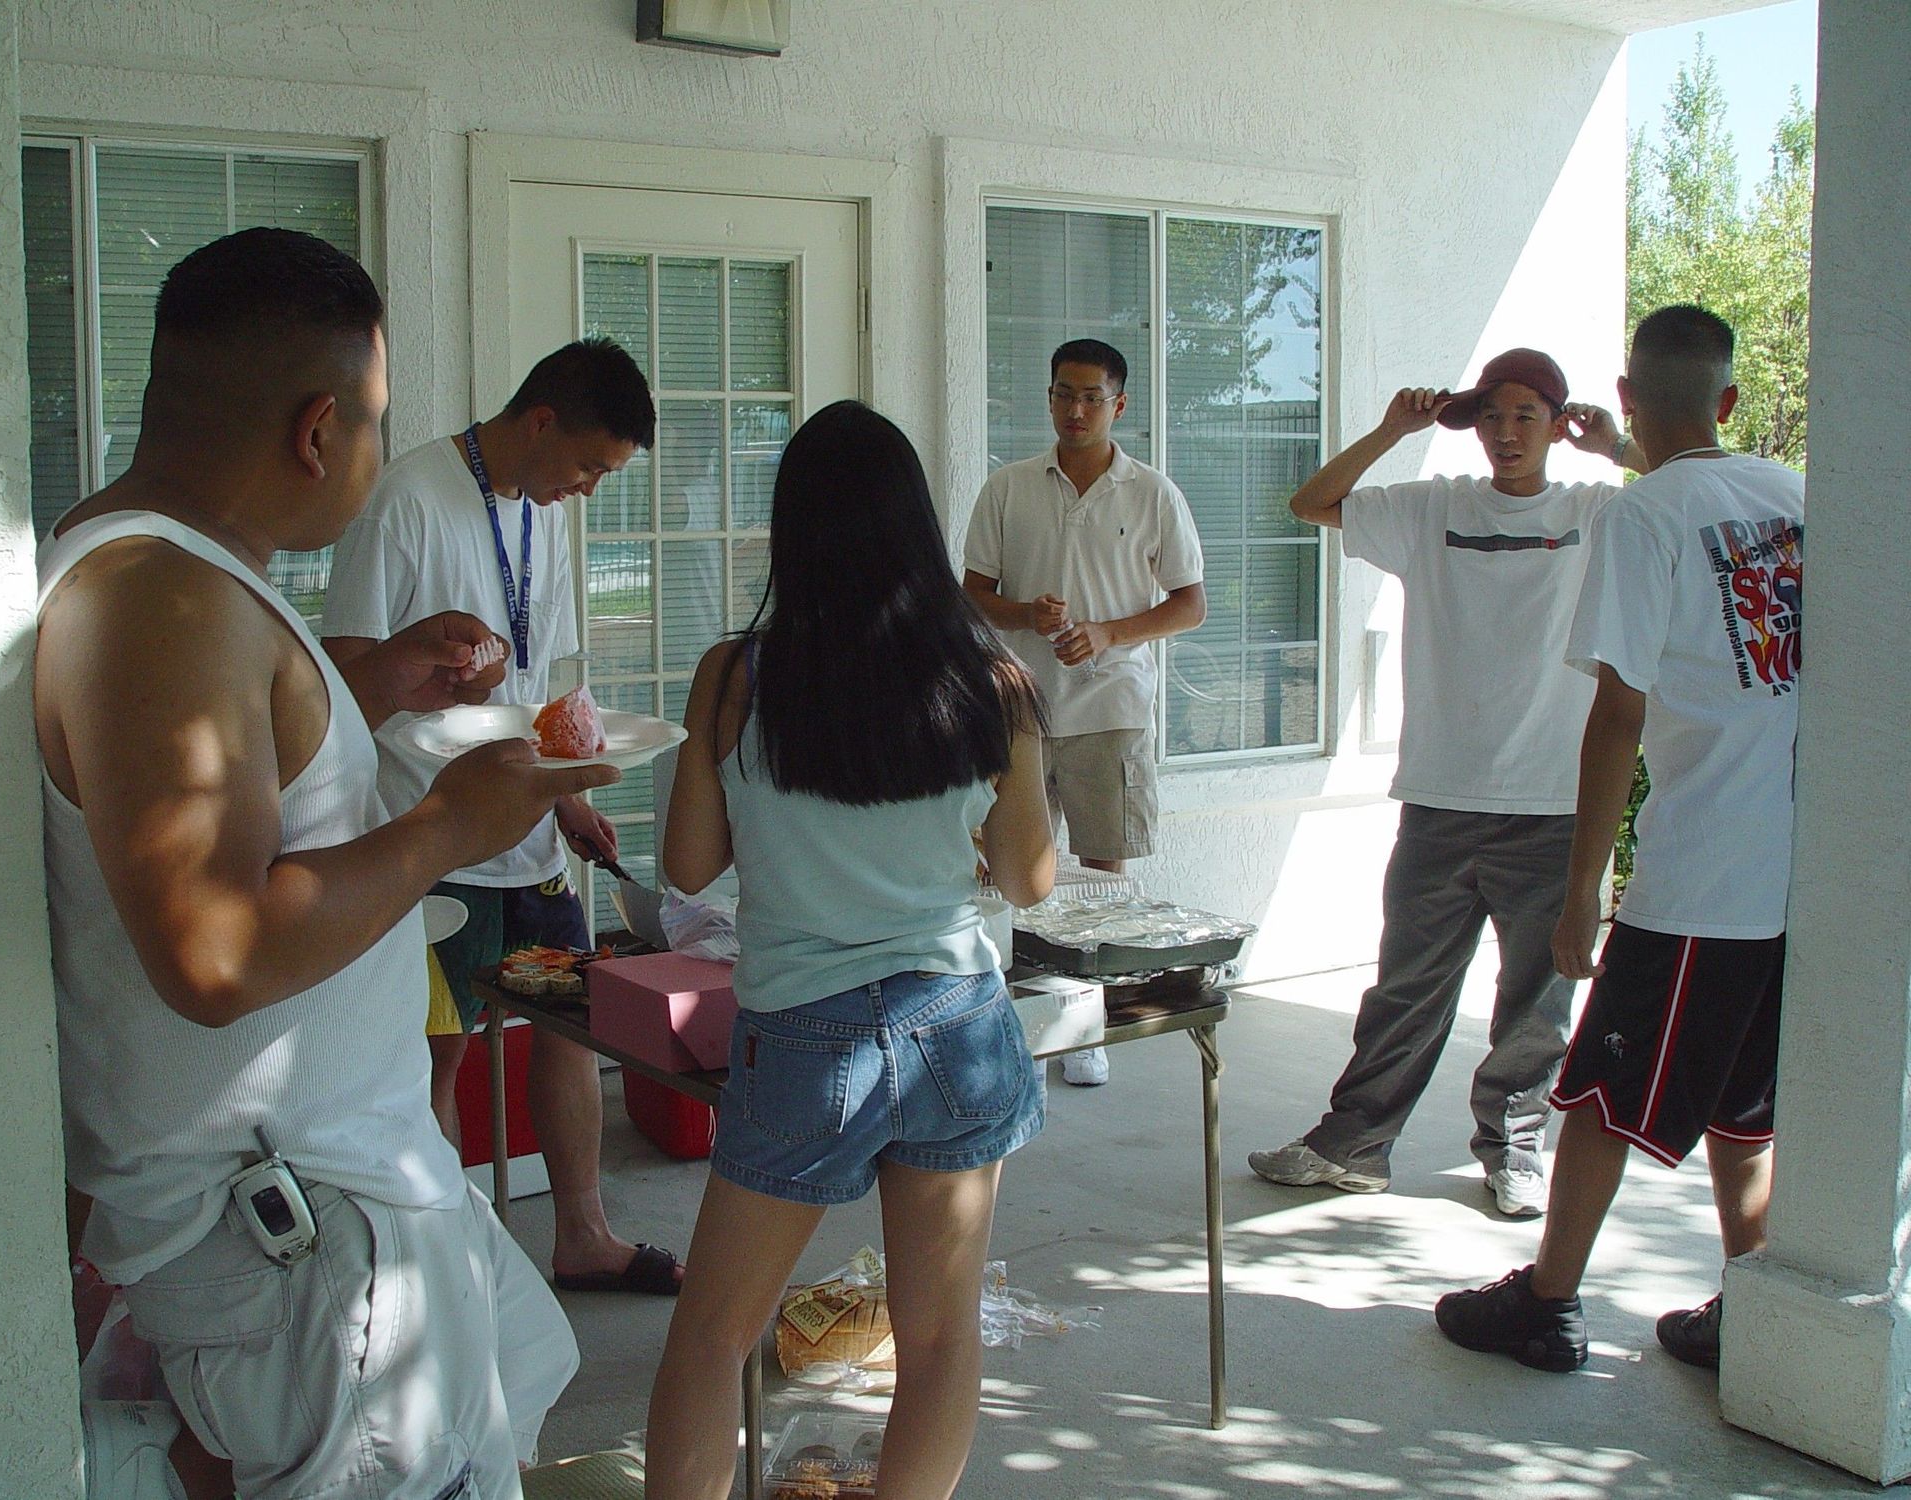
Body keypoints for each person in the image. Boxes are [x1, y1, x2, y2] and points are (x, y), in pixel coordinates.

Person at [35, 227, 612, 1497]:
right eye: (374, 420)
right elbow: (216, 950)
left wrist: (379, 676)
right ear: (317, 429)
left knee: (511, 1384)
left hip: (329, 1201)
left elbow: (238, 765)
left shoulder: (158, 563)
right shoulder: (159, 601)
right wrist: (448, 827)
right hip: (303, 1244)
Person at [643, 401, 1055, 1500]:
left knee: (711, 1337)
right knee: (938, 1336)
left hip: (802, 1033)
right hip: (955, 1021)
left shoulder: (735, 675)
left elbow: (688, 865)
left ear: (792, 531)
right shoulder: (991, 680)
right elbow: (1028, 879)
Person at [1435, 305, 1802, 1372]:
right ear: (1729, 400)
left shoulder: (1642, 517)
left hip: (1702, 872)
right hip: (1797, 870)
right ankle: (1752, 1301)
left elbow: (1617, 714)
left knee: (1600, 1087)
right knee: (1745, 1100)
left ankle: (1548, 1301)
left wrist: (1581, 888)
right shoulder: (1795, 496)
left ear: (1628, 396)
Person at [1249, 348, 1648, 1218]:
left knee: (1536, 1000)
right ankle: (1354, 1144)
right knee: (1406, 985)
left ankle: (1514, 1147)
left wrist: (1618, 448)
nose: (1506, 433)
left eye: (1526, 416)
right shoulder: (1433, 508)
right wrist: (1392, 430)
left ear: (1557, 424)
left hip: (1552, 804)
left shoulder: (1596, 512)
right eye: (1492, 416)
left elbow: (1690, 497)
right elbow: (1311, 502)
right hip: (1440, 798)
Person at [322, 338, 684, 1296]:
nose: (588, 490)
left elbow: (541, 680)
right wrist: (431, 671)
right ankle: (451, 1271)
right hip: (429, 835)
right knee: (435, 1057)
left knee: (570, 1031)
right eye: (588, 466)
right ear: (540, 422)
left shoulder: (539, 513)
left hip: (529, 837)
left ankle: (585, 1237)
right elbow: (344, 673)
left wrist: (567, 799)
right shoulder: (407, 498)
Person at [963, 338, 1206, 1086]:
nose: (1076, 409)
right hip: (1020, 710)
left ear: (1118, 405)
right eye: (1064, 394)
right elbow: (972, 595)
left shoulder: (1152, 492)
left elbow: (1190, 604)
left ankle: (1086, 1026)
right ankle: (1019, 1023)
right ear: (1049, 398)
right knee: (1013, 871)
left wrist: (1107, 633)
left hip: (1112, 708)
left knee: (1103, 871)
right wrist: (1025, 616)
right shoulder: (1008, 487)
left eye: (1092, 397)